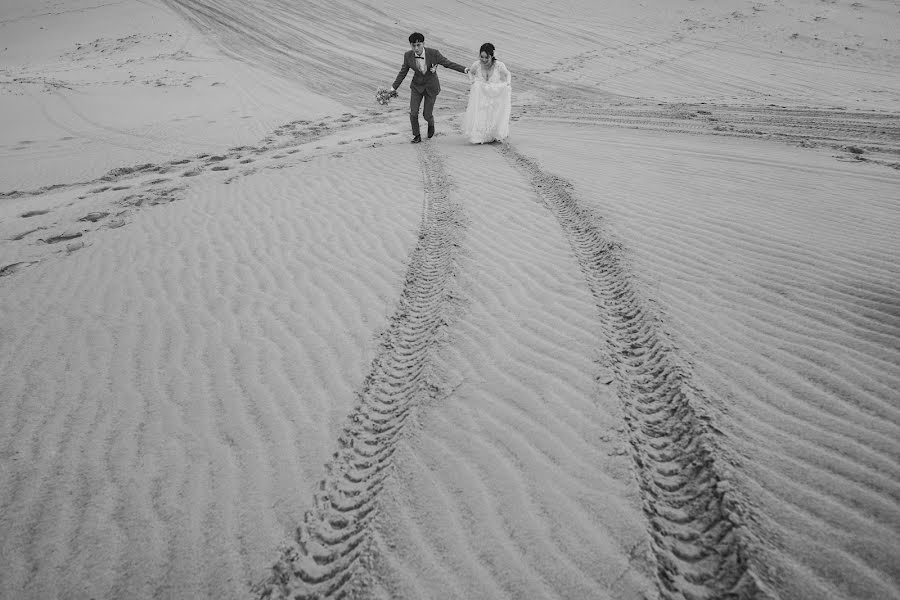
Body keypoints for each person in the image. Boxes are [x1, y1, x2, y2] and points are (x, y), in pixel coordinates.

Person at [390, 32, 470, 143]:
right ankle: (416, 135)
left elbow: (448, 63)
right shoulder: (407, 56)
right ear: (410, 45)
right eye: (413, 45)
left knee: (427, 115)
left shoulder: (434, 53)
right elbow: (402, 72)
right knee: (413, 113)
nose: (416, 48)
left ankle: (431, 123)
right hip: (416, 87)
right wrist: (393, 88)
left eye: (419, 45)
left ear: (423, 43)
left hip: (431, 87)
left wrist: (464, 69)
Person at [462, 43, 511, 144]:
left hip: (494, 93)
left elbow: (508, 74)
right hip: (481, 94)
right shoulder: (477, 64)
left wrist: (508, 84)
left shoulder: (499, 65)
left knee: (494, 114)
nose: (483, 60)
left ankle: (493, 134)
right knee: (481, 114)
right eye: (481, 57)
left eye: (486, 57)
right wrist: (473, 82)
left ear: (492, 56)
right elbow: (471, 72)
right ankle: (481, 136)